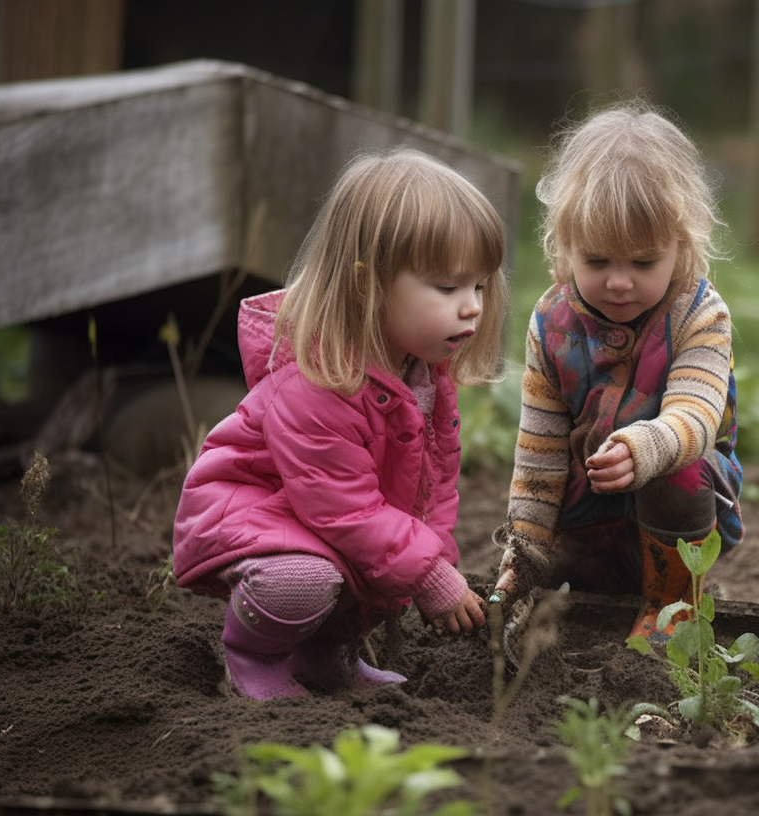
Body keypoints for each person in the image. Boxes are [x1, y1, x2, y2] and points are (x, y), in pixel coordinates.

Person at [172, 148, 509, 699]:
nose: (471, 306)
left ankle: (326, 657)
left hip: (325, 526)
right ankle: (253, 657)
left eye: (479, 287)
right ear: (368, 285)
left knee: (384, 560)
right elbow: (344, 509)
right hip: (256, 517)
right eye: (448, 289)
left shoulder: (421, 378)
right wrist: (426, 575)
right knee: (309, 579)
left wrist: (433, 560)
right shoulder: (319, 384)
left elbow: (436, 487)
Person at [491, 100, 742, 644]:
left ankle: (671, 608)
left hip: (675, 517)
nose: (619, 282)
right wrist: (525, 547)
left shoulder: (699, 315)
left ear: (683, 245)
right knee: (536, 573)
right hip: (584, 513)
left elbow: (696, 415)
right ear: (565, 246)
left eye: (643, 263)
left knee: (682, 464)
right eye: (598, 262)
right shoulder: (551, 322)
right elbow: (540, 449)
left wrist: (645, 446)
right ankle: (548, 579)